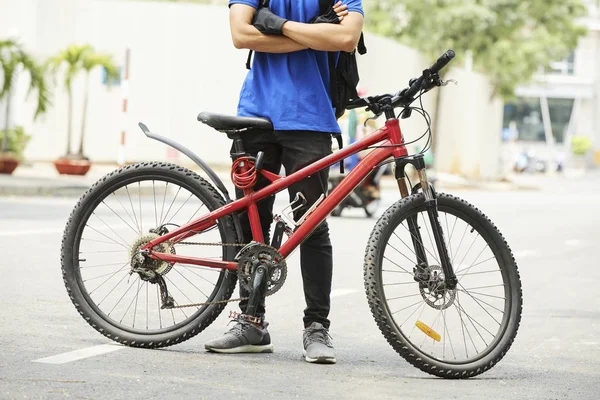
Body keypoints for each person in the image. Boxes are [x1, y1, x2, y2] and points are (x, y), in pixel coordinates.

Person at [204, 0, 364, 364]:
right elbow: (241, 34)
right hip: (255, 115)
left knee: (311, 225)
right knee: (248, 223)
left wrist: (275, 24)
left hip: (310, 118)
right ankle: (250, 323)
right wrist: (314, 35)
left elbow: (347, 37)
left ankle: (317, 327)